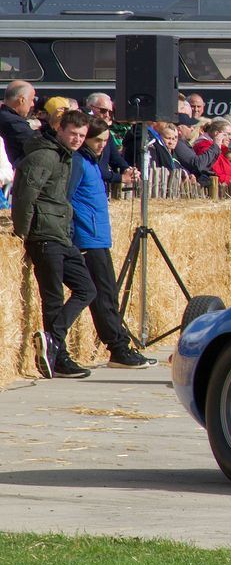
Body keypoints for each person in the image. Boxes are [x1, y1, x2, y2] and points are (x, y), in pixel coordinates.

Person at [11, 108, 95, 379]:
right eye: (73, 134)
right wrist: (21, 233)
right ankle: (58, 356)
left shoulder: (65, 157)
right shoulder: (45, 156)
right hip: (44, 235)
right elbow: (24, 196)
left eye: (82, 135)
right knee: (54, 298)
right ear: (60, 130)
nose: (77, 139)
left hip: (61, 234)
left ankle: (52, 342)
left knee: (86, 289)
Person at [73, 121, 151, 367]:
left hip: (98, 236)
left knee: (107, 293)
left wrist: (121, 176)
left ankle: (119, 345)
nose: (102, 146)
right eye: (98, 141)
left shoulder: (93, 162)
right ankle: (118, 348)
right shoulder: (79, 162)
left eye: (106, 141)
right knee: (103, 295)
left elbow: (105, 178)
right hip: (87, 237)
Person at [1, 79, 38, 164]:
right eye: (31, 99)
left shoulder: (6, 117)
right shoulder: (13, 123)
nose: (33, 104)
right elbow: (36, 144)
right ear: (22, 100)